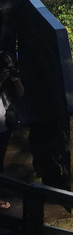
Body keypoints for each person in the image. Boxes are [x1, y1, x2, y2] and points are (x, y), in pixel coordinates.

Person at [0, 51, 24, 210]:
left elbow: (21, 94)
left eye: (11, 68)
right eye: (7, 68)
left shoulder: (10, 81)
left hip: (4, 126)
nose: (9, 70)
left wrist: (16, 80)